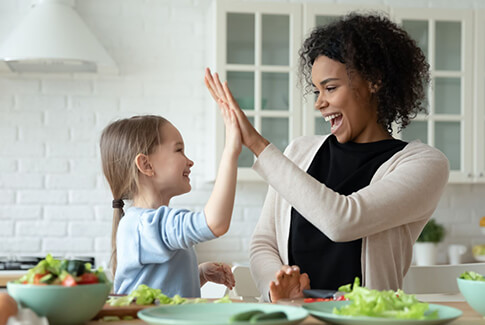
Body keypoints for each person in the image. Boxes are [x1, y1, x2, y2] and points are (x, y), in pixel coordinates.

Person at [205, 12, 449, 302]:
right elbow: (263, 243)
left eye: (331, 88)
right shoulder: (298, 152)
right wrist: (279, 289)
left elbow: (342, 220)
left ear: (374, 81)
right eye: (317, 90)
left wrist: (257, 145)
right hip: (293, 318)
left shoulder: (423, 164)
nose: (320, 103)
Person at [99, 107, 240, 296]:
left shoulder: (152, 224)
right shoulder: (144, 225)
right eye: (179, 150)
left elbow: (162, 288)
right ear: (146, 165)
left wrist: (199, 274)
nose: (190, 161)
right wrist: (231, 151)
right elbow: (216, 223)